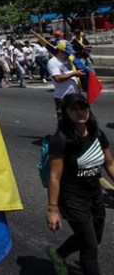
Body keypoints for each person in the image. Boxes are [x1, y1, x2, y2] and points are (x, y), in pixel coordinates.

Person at [47, 93, 114, 275]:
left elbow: (109, 164)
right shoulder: (61, 139)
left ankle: (59, 254)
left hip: (95, 195)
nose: (80, 112)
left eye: (83, 107)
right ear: (66, 112)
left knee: (93, 238)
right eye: (74, 109)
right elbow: (54, 176)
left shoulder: (97, 134)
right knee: (90, 246)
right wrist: (53, 209)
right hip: (73, 198)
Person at [48, 40, 85, 122]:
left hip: (74, 95)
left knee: (76, 120)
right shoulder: (53, 62)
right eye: (67, 52)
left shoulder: (69, 61)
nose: (69, 54)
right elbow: (57, 78)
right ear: (60, 51)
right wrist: (73, 74)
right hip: (62, 97)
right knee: (64, 121)